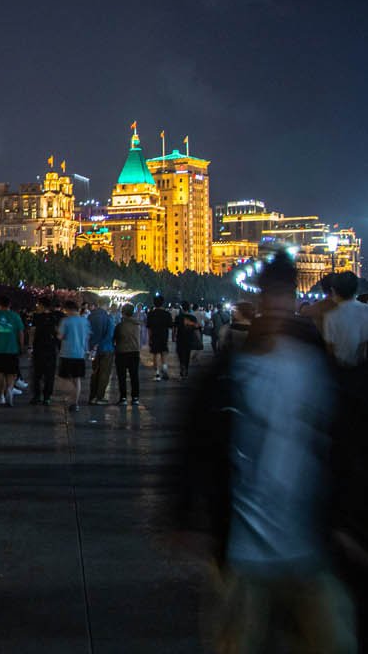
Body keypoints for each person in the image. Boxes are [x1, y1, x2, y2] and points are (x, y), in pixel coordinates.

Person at [173, 252, 356, 652]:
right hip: (243, 551)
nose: (276, 305)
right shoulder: (227, 373)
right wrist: (185, 513)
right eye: (269, 295)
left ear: (293, 300)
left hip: (309, 545)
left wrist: (345, 517)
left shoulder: (319, 370)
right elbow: (195, 442)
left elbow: (343, 446)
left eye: (283, 295)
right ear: (259, 300)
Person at [0, 296, 26, 406]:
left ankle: (0, 396)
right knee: (11, 373)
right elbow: (21, 333)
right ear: (9, 305)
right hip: (12, 349)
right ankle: (10, 390)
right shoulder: (15, 317)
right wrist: (21, 347)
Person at [321, 271, 368, 367]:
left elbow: (330, 348)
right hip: (362, 366)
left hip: (341, 367)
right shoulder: (365, 309)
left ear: (334, 291)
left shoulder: (331, 316)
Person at [29, 297, 62, 405]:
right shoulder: (55, 316)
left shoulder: (36, 317)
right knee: (49, 374)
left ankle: (37, 396)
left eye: (38, 305)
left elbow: (32, 332)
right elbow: (58, 332)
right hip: (51, 348)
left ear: (42, 305)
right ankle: (47, 397)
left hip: (39, 348)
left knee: (37, 374)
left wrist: (30, 346)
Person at [58, 300, 88, 412]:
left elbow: (60, 336)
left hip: (67, 353)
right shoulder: (84, 321)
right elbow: (87, 337)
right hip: (80, 354)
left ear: (68, 309)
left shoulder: (66, 321)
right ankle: (75, 403)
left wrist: (57, 332)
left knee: (63, 379)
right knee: (77, 379)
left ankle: (72, 395)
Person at [113, 304, 142, 406]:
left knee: (122, 376)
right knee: (134, 376)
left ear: (123, 313)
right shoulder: (137, 325)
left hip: (122, 352)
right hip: (135, 352)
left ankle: (123, 397)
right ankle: (135, 397)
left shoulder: (120, 326)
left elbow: (115, 339)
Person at [88, 302, 116, 405]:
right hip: (106, 349)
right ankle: (99, 397)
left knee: (95, 372)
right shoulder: (109, 317)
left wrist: (93, 345)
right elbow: (110, 334)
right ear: (107, 305)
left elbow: (89, 333)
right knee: (104, 373)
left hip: (94, 350)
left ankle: (92, 396)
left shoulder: (91, 316)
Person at [147, 296, 173, 380]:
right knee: (163, 353)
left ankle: (157, 374)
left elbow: (149, 328)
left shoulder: (150, 314)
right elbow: (170, 326)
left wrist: (149, 338)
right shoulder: (167, 314)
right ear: (163, 303)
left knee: (155, 355)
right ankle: (164, 368)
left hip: (154, 336)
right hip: (164, 336)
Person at [175, 301, 203, 379]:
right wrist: (199, 339)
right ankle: (186, 371)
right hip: (189, 338)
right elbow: (196, 329)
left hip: (180, 338)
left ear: (182, 308)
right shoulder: (193, 318)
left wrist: (173, 336)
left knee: (180, 354)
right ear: (189, 308)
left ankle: (182, 367)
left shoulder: (178, 317)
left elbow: (175, 328)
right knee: (187, 355)